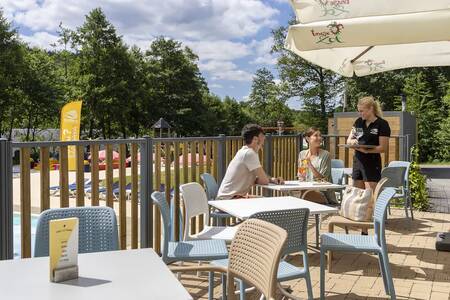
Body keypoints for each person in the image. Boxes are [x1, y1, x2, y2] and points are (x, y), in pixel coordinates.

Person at [217, 124, 284, 200]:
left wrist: (272, 179)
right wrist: (269, 179)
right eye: (262, 136)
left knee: (267, 201)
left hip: (228, 199)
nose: (264, 138)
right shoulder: (250, 154)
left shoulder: (244, 151)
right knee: (268, 203)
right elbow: (264, 181)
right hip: (229, 201)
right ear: (255, 139)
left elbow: (259, 179)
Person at [347, 96, 391, 192]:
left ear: (371, 108)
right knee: (357, 195)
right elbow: (348, 141)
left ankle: (373, 208)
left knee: (370, 196)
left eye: (362, 111)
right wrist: (352, 142)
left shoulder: (382, 124)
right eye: (359, 111)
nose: (360, 113)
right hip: (358, 161)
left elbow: (383, 148)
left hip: (372, 162)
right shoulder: (358, 122)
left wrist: (367, 151)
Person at [298, 127, 335, 204]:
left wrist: (310, 165)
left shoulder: (325, 155)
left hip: (323, 193)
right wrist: (301, 176)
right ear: (308, 139)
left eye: (320, 135)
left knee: (303, 196)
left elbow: (323, 178)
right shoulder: (302, 154)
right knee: (300, 194)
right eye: (316, 135)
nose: (320, 138)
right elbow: (301, 175)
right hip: (306, 190)